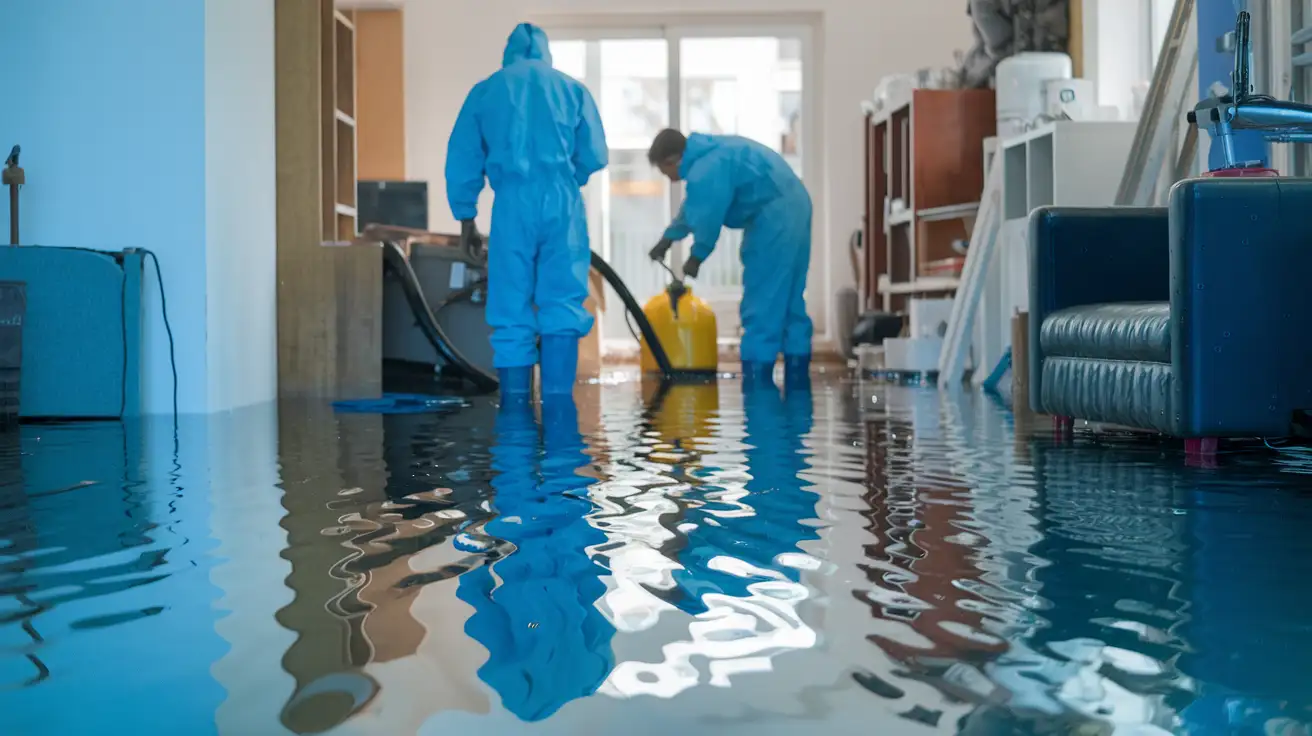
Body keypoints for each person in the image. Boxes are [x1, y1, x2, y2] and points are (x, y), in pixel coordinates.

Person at [445, 22, 608, 397]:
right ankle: (558, 405)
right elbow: (596, 155)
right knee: (562, 304)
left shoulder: (486, 91)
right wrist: (568, 179)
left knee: (510, 308)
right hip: (562, 202)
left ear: (509, 53)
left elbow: (463, 159)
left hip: (512, 205)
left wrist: (466, 218)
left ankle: (516, 412)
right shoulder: (572, 89)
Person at [647, 129, 812, 387]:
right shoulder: (712, 154)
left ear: (672, 160)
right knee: (791, 302)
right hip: (796, 205)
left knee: (762, 300)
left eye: (664, 172)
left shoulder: (705, 169)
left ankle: (758, 384)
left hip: (773, 218)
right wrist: (668, 238)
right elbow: (695, 207)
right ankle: (798, 381)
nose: (669, 180)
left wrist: (696, 257)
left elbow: (708, 217)